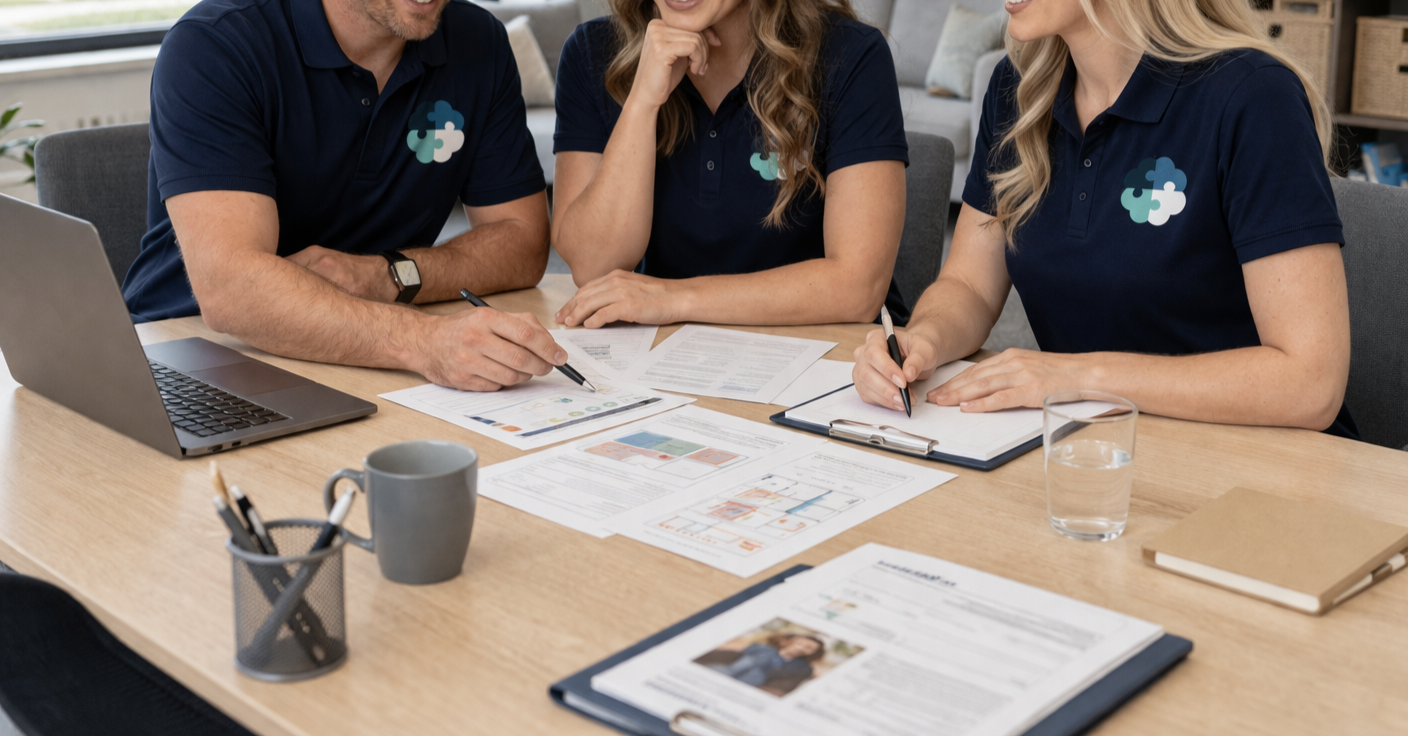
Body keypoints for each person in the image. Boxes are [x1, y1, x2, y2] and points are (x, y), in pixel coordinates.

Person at [852, 0, 1357, 438]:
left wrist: (1079, 377)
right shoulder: (1017, 88)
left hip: (1261, 469)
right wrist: (925, 341)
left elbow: (1310, 384)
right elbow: (970, 284)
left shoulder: (1253, 95)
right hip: (1096, 448)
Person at [120, 0, 571, 392]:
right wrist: (424, 341)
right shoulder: (215, 45)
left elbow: (522, 242)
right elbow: (231, 290)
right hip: (191, 345)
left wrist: (388, 276)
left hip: (365, 348)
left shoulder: (478, 41)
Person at [550, 0, 910, 329]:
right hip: (670, 360)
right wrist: (643, 101)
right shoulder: (592, 53)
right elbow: (593, 267)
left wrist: (674, 298)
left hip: (835, 364)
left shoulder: (852, 54)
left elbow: (857, 288)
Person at [701, 633, 825, 695]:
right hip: (725, 671)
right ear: (789, 641)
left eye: (808, 648)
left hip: (748, 687)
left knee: (756, 674)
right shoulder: (762, 648)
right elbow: (729, 655)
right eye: (799, 643)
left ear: (813, 653)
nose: (801, 648)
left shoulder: (802, 668)